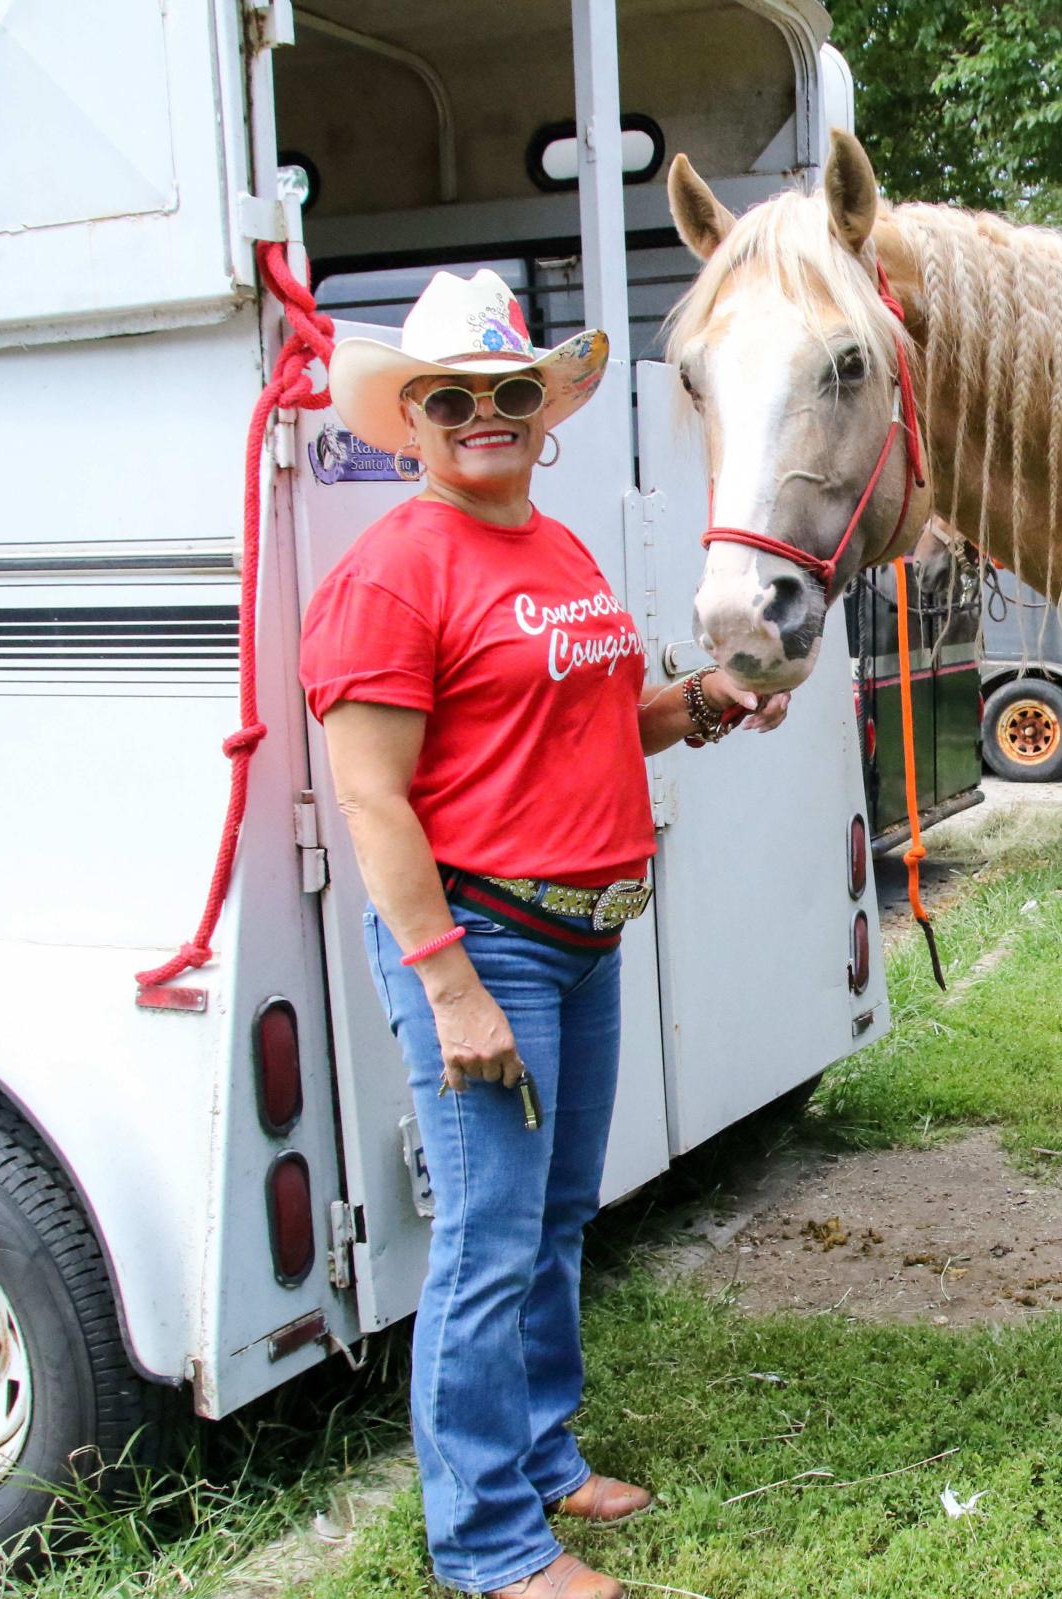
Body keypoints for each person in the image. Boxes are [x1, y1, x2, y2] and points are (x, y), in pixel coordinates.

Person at [301, 269, 788, 1599]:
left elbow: (579, 721)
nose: (484, 415)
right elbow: (370, 796)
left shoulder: (557, 548)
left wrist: (697, 704)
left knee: (556, 1215)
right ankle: (489, 1543)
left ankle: (541, 1452)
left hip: (582, 937)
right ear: (411, 418)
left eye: (508, 391)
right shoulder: (392, 574)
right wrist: (449, 987)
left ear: (540, 404)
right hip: (488, 945)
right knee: (489, 1238)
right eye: (449, 397)